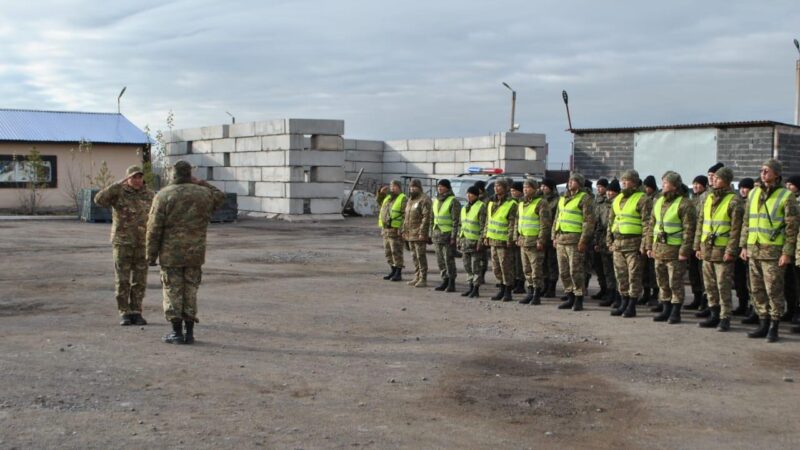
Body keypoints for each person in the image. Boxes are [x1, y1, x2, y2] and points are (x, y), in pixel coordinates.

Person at [146, 160, 225, 344]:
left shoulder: (164, 195)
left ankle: (176, 332)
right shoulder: (203, 194)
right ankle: (189, 332)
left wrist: (150, 254)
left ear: (173, 174)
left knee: (172, 290)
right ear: (190, 174)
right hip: (195, 252)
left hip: (171, 253)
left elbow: (154, 228)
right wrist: (202, 183)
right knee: (190, 290)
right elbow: (220, 197)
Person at [741, 159, 798, 342]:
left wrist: (787, 252)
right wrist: (743, 245)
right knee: (757, 289)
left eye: (767, 170)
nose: (763, 173)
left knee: (774, 289)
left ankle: (774, 325)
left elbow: (791, 228)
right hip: (754, 249)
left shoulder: (785, 196)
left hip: (773, 252)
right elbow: (747, 222)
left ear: (776, 174)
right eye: (761, 170)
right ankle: (763, 322)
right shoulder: (753, 194)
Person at [94, 165, 155, 326]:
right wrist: (116, 185)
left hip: (142, 243)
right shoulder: (118, 192)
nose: (137, 180)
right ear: (127, 178)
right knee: (122, 279)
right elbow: (99, 200)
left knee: (140, 280)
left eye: (139, 177)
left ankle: (136, 311)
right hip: (122, 242)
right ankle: (124, 312)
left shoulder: (149, 194)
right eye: (133, 177)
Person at [693, 167, 744, 331]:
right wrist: (698, 246)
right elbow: (701, 224)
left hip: (722, 252)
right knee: (710, 286)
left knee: (723, 285)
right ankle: (714, 314)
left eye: (717, 178)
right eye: (713, 178)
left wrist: (731, 251)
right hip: (707, 250)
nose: (713, 180)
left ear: (727, 181)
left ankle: (725, 317)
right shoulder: (707, 198)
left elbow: (736, 230)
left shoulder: (734, 201)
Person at [645, 172, 695, 324]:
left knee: (675, 282)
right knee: (662, 282)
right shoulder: (658, 201)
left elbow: (689, 230)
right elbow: (651, 225)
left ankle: (675, 311)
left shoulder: (685, 204)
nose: (663, 185)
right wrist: (649, 246)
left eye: (666, 182)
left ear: (674, 185)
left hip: (675, 251)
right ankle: (665, 308)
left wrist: (684, 251)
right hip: (659, 249)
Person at [607, 170, 652, 318]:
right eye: (622, 180)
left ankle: (632, 305)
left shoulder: (643, 199)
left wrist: (645, 245)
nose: (624, 183)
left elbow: (647, 224)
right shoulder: (617, 198)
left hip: (634, 244)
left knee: (634, 275)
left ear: (634, 182)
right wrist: (609, 240)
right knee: (621, 275)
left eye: (627, 180)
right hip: (618, 244)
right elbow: (611, 221)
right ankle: (623, 302)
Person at [552, 172, 595, 311]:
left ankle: (578, 298)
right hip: (561, 240)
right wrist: (554, 236)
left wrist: (583, 241)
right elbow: (557, 218)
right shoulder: (562, 198)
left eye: (573, 181)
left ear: (580, 183)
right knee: (563, 271)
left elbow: (588, 222)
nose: (570, 183)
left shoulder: (585, 198)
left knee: (575, 271)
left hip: (574, 240)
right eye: (569, 181)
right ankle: (569, 296)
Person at [516, 179, 552, 305]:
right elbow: (518, 221)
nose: (526, 190)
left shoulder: (541, 203)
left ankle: (537, 294)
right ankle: (530, 292)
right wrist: (517, 236)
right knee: (526, 270)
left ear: (535, 189)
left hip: (534, 242)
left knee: (536, 270)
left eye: (529, 187)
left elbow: (545, 224)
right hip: (523, 241)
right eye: (524, 187)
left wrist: (541, 240)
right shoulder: (521, 203)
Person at [483, 179, 518, 301]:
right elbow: (489, 220)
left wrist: (510, 239)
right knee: (496, 268)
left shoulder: (511, 203)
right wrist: (486, 235)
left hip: (504, 242)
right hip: (493, 239)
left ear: (505, 188)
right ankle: (501, 289)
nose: (496, 188)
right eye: (495, 186)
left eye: (499, 186)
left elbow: (512, 223)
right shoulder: (491, 202)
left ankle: (508, 291)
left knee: (506, 267)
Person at [431, 179, 461, 292]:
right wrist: (431, 233)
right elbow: (432, 218)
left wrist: (454, 237)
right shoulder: (436, 201)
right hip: (437, 234)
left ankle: (451, 282)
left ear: (448, 188)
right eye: (438, 186)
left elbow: (456, 221)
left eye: (442, 186)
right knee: (440, 260)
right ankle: (444, 279)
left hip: (447, 235)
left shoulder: (453, 201)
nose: (440, 188)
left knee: (449, 259)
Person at [402, 179, 432, 288]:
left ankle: (423, 278)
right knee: (414, 256)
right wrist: (404, 231)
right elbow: (406, 218)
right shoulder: (410, 200)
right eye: (411, 187)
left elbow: (426, 217)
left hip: (419, 234)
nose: (412, 189)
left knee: (421, 256)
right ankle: (417, 276)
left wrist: (422, 232)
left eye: (414, 187)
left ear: (419, 188)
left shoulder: (424, 200)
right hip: (410, 234)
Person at [686, 175, 709, 310]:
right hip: (691, 240)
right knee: (693, 272)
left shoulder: (705, 198)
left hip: (701, 240)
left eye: (698, 184)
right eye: (694, 184)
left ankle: (705, 301)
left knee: (702, 273)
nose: (695, 186)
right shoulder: (693, 199)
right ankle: (697, 297)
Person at [459, 186, 487, 298]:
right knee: (467, 266)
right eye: (467, 193)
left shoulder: (481, 206)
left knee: (476, 267)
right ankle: (470, 287)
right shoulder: (465, 208)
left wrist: (480, 242)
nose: (469, 195)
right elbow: (462, 225)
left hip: (475, 243)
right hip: (465, 241)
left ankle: (476, 288)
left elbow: (483, 226)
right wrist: (459, 238)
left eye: (471, 194)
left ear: (476, 195)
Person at [598, 179, 621, 308]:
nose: (609, 193)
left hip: (616, 242)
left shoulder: (619, 204)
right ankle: (610, 293)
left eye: (612, 191)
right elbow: (599, 225)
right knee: (607, 272)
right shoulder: (603, 205)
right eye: (609, 191)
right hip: (604, 242)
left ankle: (618, 296)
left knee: (618, 271)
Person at [378, 180, 407, 282]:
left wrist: (401, 229)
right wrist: (381, 193)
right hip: (386, 229)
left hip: (395, 230)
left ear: (399, 187)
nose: (392, 188)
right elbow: (380, 203)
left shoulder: (403, 198)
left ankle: (398, 272)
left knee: (396, 252)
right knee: (388, 252)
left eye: (394, 186)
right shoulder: (388, 197)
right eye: (391, 186)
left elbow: (405, 215)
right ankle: (393, 270)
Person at [735, 177, 755, 321]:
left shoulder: (753, 203)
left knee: (752, 280)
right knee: (739, 279)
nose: (743, 190)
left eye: (746, 187)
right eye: (741, 187)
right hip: (737, 246)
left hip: (752, 246)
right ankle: (742, 304)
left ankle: (753, 308)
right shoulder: (737, 203)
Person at [639, 175, 660, 307]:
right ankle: (646, 292)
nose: (645, 189)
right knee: (645, 269)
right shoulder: (644, 199)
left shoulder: (657, 199)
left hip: (655, 237)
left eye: (647, 187)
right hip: (645, 237)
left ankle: (655, 294)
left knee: (654, 270)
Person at [540, 178, 560, 297]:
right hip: (542, 235)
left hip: (551, 235)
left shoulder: (557, 201)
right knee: (543, 263)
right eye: (542, 186)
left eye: (545, 186)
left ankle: (551, 288)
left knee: (552, 263)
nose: (543, 188)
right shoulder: (540, 200)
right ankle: (545, 285)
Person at [510, 181, 526, 294]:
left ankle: (520, 283)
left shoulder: (521, 203)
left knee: (520, 263)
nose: (512, 193)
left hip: (523, 236)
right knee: (513, 262)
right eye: (511, 191)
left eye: (514, 191)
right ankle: (514, 281)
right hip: (515, 235)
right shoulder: (512, 203)